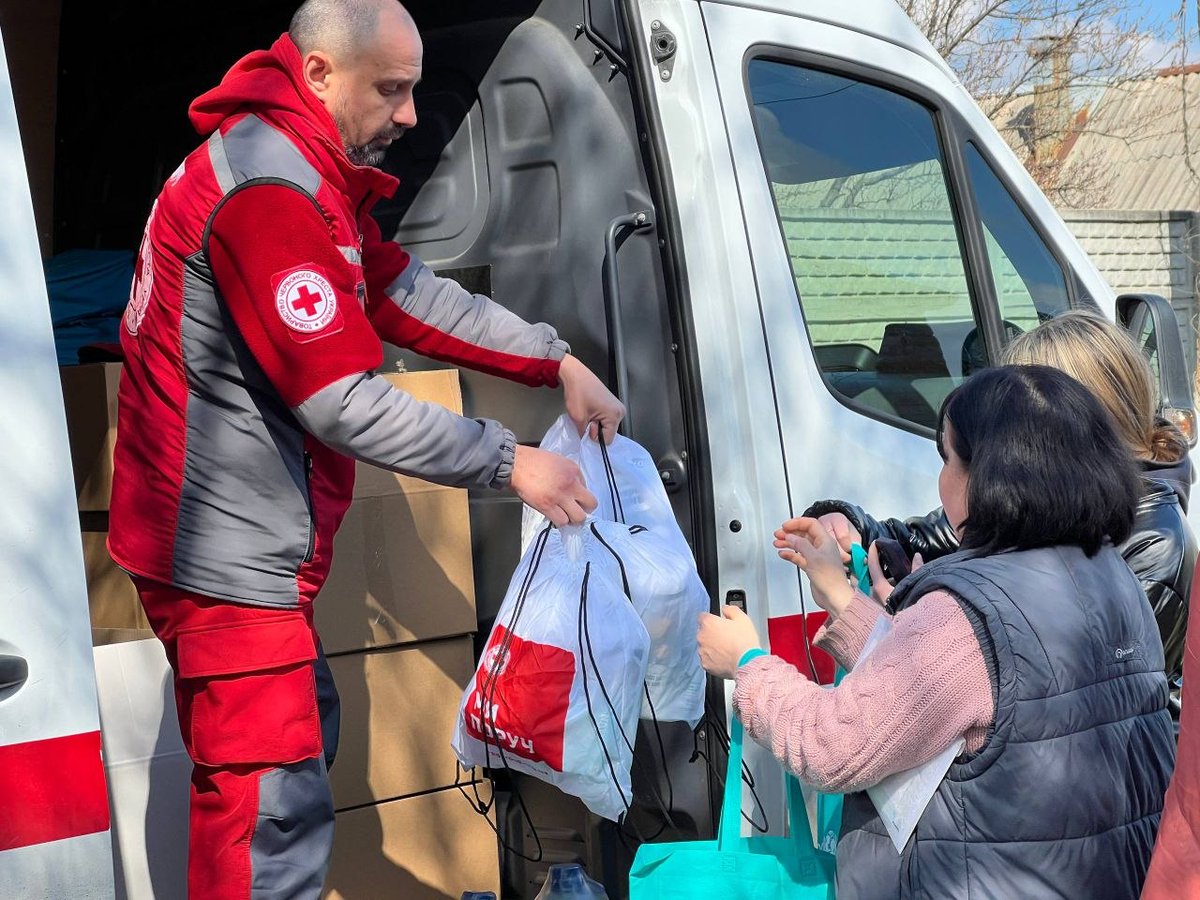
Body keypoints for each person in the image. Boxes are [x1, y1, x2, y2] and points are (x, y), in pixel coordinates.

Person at [107, 2, 623, 897]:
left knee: (295, 763)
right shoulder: (267, 193)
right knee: (267, 828)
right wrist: (512, 463)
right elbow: (341, 402)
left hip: (242, 560)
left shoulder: (300, 172)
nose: (412, 115)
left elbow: (404, 291)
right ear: (317, 73)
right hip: (225, 567)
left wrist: (556, 360)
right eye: (392, 90)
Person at [698, 365, 1175, 899]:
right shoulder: (1110, 574)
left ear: (990, 475)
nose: (941, 477)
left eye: (947, 458)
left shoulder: (963, 611)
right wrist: (842, 598)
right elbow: (953, 689)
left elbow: (833, 745)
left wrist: (746, 665)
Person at [809, 311, 1196, 712]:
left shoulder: (1155, 544)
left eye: (1021, 412)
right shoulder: (1039, 497)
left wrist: (906, 616)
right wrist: (850, 528)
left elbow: (1050, 686)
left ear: (1083, 418)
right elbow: (921, 539)